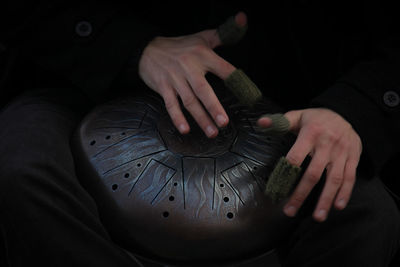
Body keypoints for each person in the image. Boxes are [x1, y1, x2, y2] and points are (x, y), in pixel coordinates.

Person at [0, 1, 399, 266]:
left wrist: (354, 109)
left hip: (284, 114)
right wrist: (130, 46)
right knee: (24, 172)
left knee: (362, 214)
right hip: (90, 81)